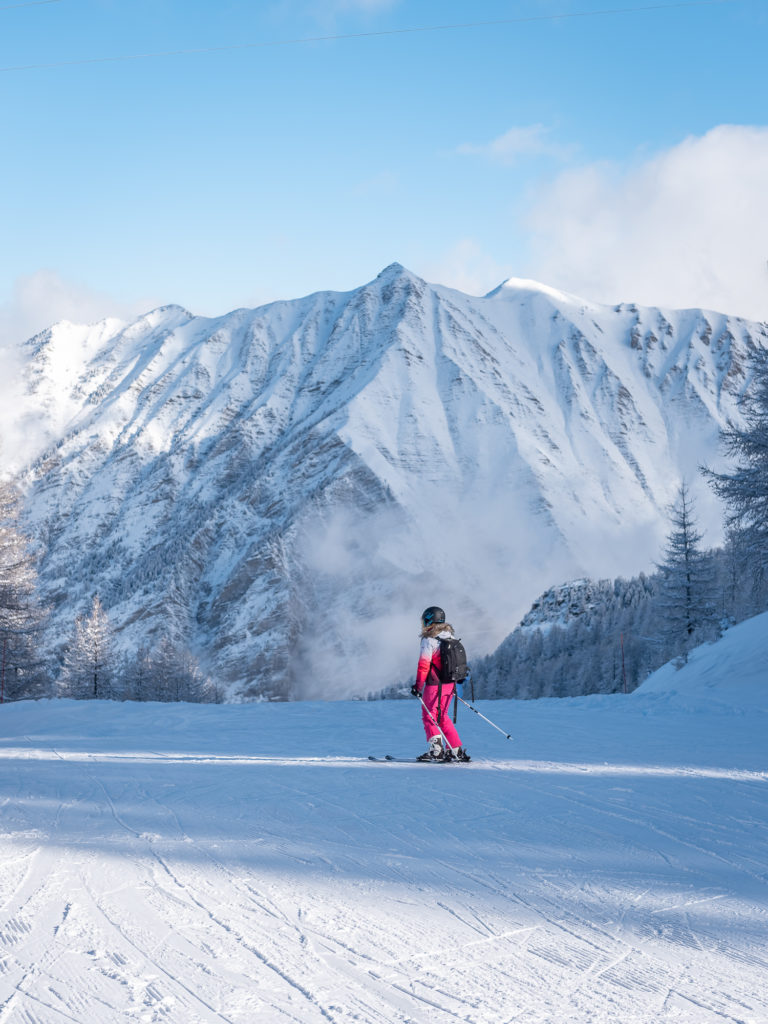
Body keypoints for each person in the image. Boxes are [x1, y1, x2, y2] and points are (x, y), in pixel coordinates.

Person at [412, 606, 470, 762]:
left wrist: (418, 687)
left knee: (429, 717)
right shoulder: (449, 637)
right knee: (442, 716)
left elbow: (424, 665)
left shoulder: (429, 640)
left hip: (434, 685)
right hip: (450, 684)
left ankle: (436, 751)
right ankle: (455, 750)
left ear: (429, 620)